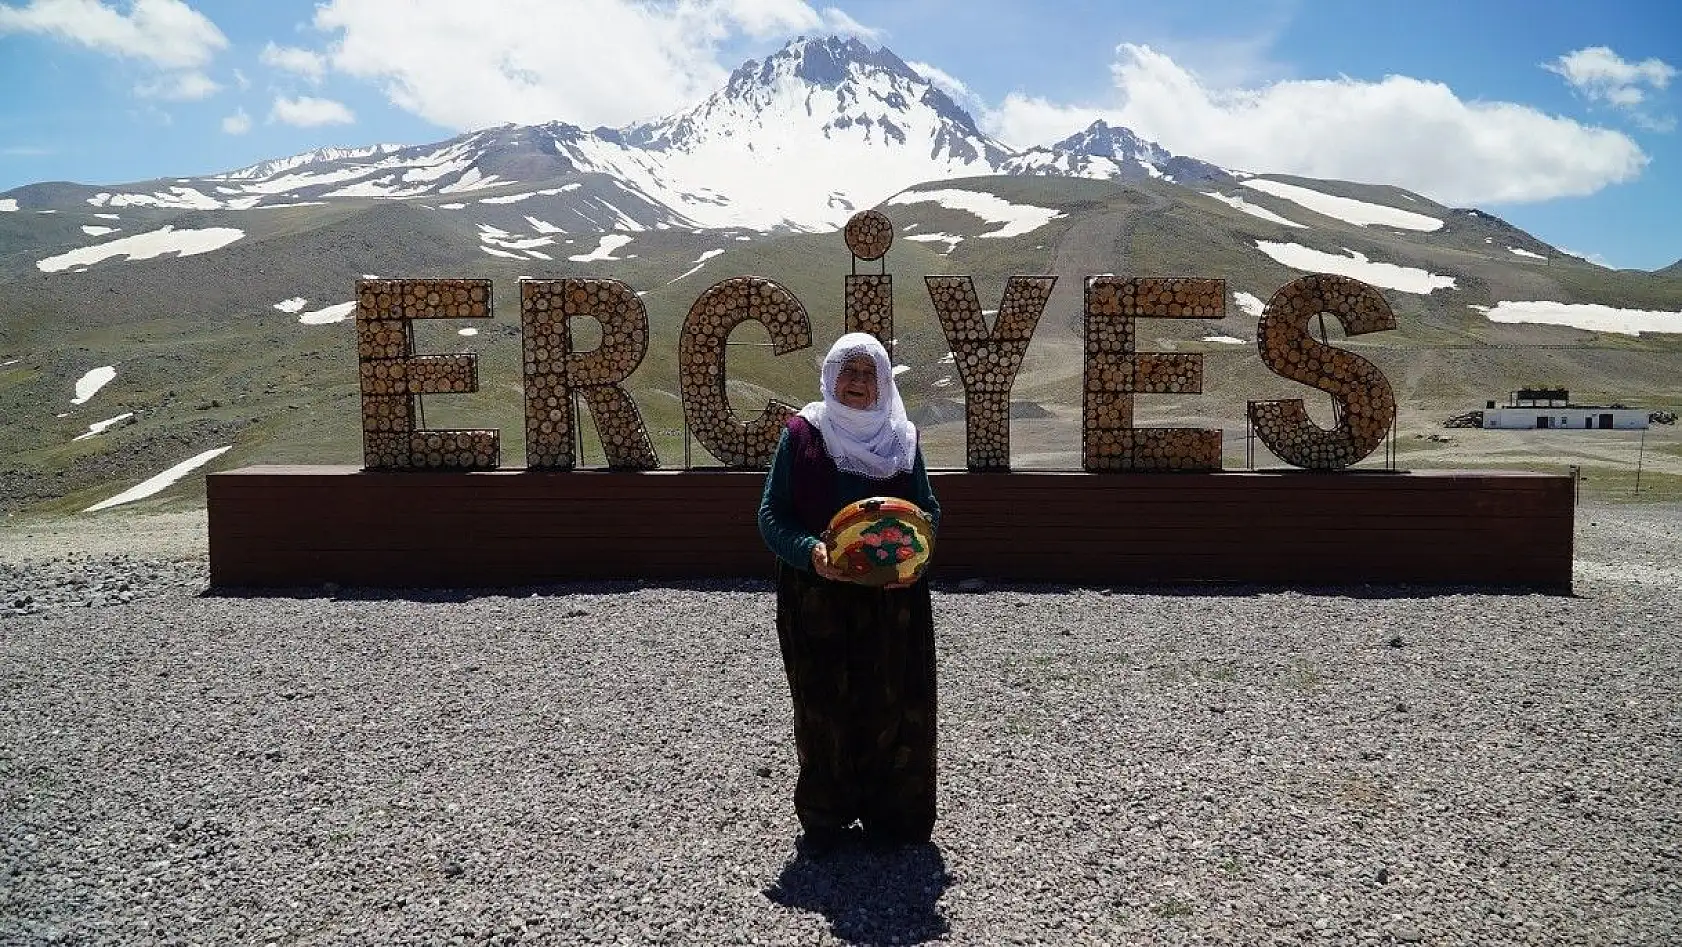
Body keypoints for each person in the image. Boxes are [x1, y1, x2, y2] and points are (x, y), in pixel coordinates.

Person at [758, 332, 942, 854]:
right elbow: (771, 515)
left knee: (893, 703)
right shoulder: (802, 435)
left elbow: (928, 511)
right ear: (830, 377)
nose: (857, 382)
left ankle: (893, 818)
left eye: (868, 374)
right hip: (818, 596)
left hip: (893, 600)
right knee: (823, 705)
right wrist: (810, 550)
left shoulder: (902, 439)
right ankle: (827, 817)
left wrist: (918, 559)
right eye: (849, 371)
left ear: (883, 383)